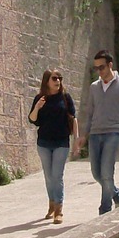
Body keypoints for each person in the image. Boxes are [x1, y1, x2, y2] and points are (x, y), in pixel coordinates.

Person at [76, 50, 119, 215]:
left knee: (106, 172)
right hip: (95, 134)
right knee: (97, 174)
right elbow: (89, 113)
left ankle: (105, 211)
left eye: (101, 67)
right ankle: (118, 196)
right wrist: (83, 135)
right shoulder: (94, 87)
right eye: (96, 69)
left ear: (110, 65)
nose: (99, 72)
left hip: (114, 133)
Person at [28, 68, 76, 224]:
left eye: (60, 78)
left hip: (61, 142)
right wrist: (37, 107)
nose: (58, 81)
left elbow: (73, 119)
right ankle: (51, 204)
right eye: (55, 78)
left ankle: (59, 210)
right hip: (44, 143)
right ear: (47, 81)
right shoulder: (39, 98)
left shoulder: (65, 98)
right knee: (49, 177)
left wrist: (76, 140)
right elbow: (33, 120)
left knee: (57, 176)